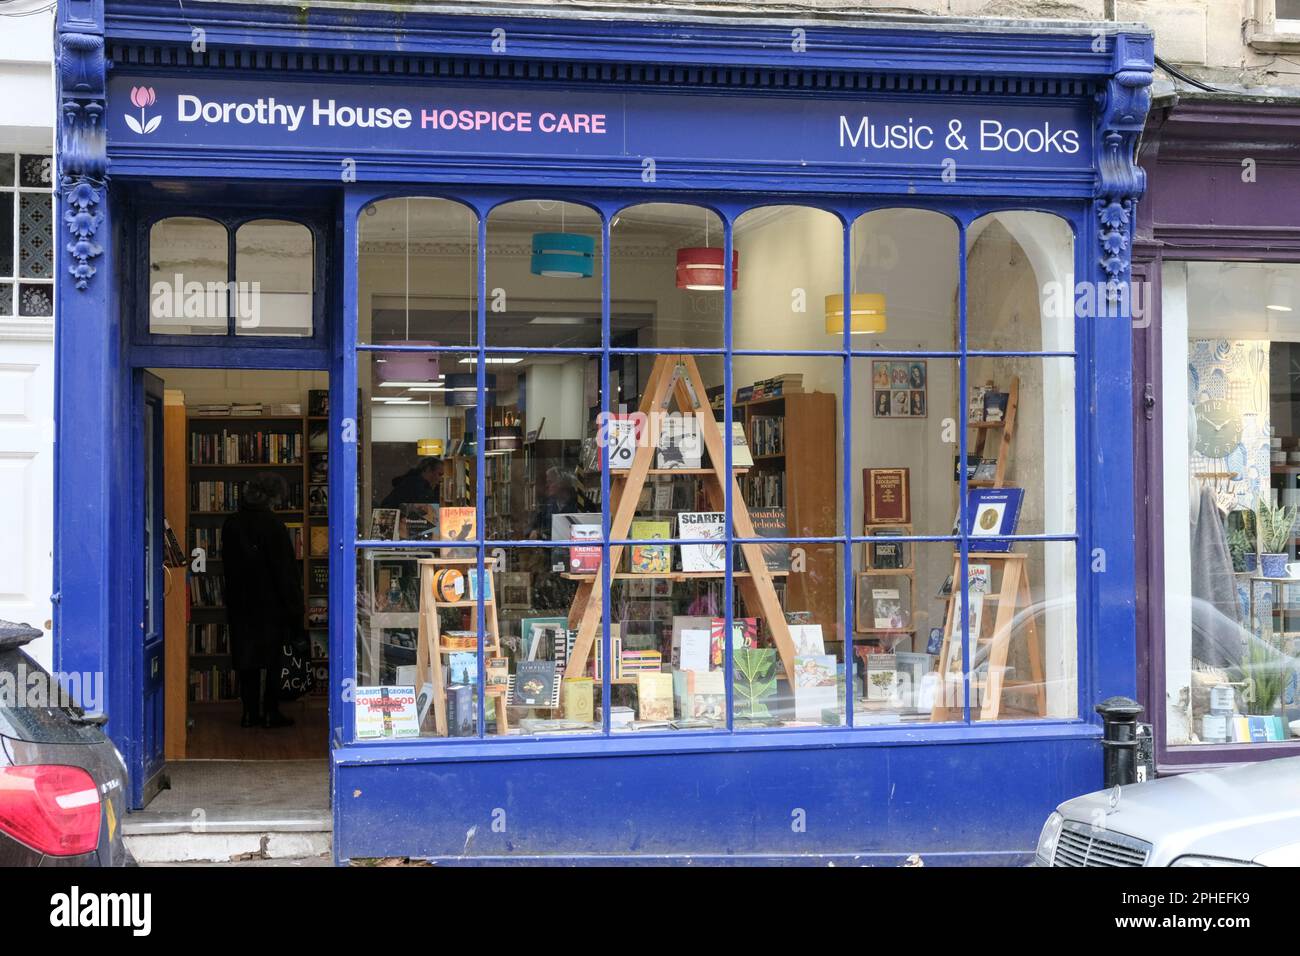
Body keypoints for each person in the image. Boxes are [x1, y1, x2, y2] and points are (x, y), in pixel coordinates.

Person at [222, 472, 304, 729]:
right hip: (271, 603)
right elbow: (285, 570)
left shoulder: (231, 524)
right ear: (273, 496)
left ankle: (249, 713)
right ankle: (271, 711)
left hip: (240, 601)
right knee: (272, 659)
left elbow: (227, 565)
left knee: (246, 659)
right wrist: (294, 606)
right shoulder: (273, 525)